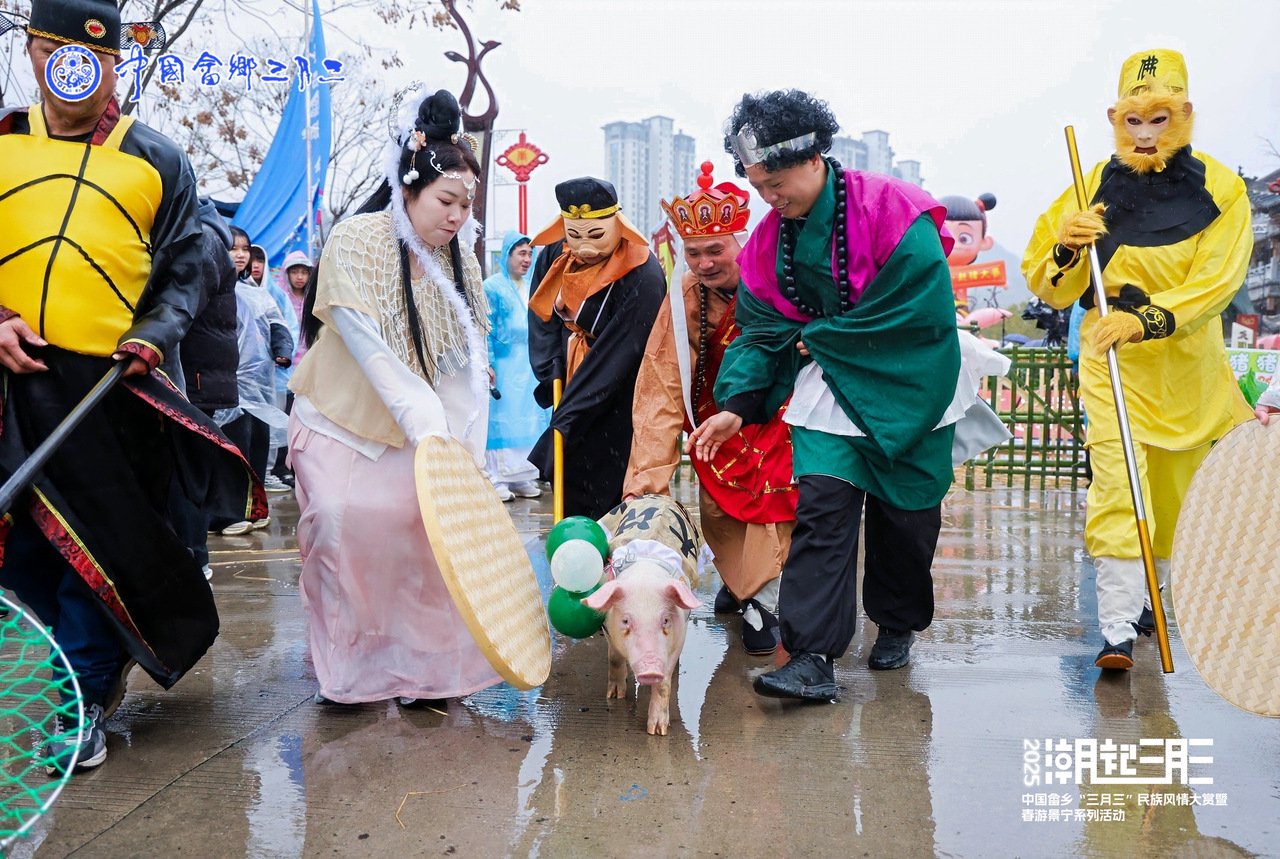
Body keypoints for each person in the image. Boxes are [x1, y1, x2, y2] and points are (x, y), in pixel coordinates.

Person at [0, 0, 264, 773]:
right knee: (26, 562)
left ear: (116, 64)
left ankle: (79, 697)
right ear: (37, 53)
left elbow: (192, 256)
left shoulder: (157, 157)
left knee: (105, 554)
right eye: (58, 53)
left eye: (96, 58)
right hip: (12, 391)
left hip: (114, 394)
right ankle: (69, 684)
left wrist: (155, 331)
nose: (75, 72)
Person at [688, 89, 961, 701]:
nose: (769, 197)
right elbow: (760, 330)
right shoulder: (767, 242)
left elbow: (916, 313)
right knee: (823, 512)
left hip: (908, 379)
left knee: (906, 519)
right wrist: (737, 403)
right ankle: (811, 656)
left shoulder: (894, 212)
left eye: (776, 182)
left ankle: (897, 621)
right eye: (759, 186)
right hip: (830, 391)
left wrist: (818, 338)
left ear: (815, 157)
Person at [1022, 49, 1254, 670]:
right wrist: (1067, 250)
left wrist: (1151, 320)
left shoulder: (1224, 190)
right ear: (1114, 119)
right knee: (1120, 483)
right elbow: (1048, 284)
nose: (1146, 135)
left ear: (1185, 115)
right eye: (1133, 121)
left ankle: (1151, 599)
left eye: (1159, 119)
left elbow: (1218, 280)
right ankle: (1118, 628)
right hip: (1110, 358)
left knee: (1176, 496)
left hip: (1186, 363)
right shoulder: (1090, 183)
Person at [288, 88, 500, 706]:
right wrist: (432, 426)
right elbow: (372, 353)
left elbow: (465, 363)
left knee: (423, 539)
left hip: (418, 430)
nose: (458, 217)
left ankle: (425, 668)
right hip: (341, 420)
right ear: (407, 190)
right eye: (446, 201)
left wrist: (462, 451)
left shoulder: (459, 257)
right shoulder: (356, 242)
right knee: (338, 526)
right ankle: (349, 670)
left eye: (466, 204)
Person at [623, 162, 797, 655]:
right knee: (720, 512)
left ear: (742, 244)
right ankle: (740, 580)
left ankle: (763, 601)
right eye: (693, 253)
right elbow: (660, 387)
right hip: (715, 419)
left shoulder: (781, 279)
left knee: (771, 496)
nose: (703, 263)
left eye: (716, 250)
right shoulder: (683, 297)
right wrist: (647, 485)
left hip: (780, 412)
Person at [527, 178, 666, 519]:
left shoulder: (642, 272)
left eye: (596, 235)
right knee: (569, 473)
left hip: (619, 386)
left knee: (608, 475)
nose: (583, 246)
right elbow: (541, 315)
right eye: (574, 235)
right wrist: (551, 365)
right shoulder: (556, 253)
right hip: (570, 375)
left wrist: (568, 416)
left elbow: (621, 351)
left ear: (618, 226)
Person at [211, 229, 293, 531]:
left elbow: (277, 323)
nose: (242, 254)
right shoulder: (212, 287)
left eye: (245, 249)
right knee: (234, 448)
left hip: (258, 386)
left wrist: (281, 349)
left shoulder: (258, 293)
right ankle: (227, 514)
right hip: (225, 382)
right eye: (234, 249)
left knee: (258, 444)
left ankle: (253, 509)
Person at [483, 230, 548, 501]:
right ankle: (497, 478)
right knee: (502, 422)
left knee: (529, 421)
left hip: (528, 365)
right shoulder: (492, 287)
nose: (527, 259)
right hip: (505, 364)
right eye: (521, 253)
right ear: (507, 254)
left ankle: (522, 477)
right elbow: (485, 328)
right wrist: (489, 362)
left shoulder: (532, 286)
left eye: (530, 253)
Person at [270, 250, 314, 487]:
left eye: (303, 272)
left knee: (306, 420)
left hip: (309, 366)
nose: (299, 277)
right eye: (294, 272)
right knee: (285, 418)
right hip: (286, 370)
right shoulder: (281, 298)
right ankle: (280, 466)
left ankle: (301, 466)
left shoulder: (312, 299)